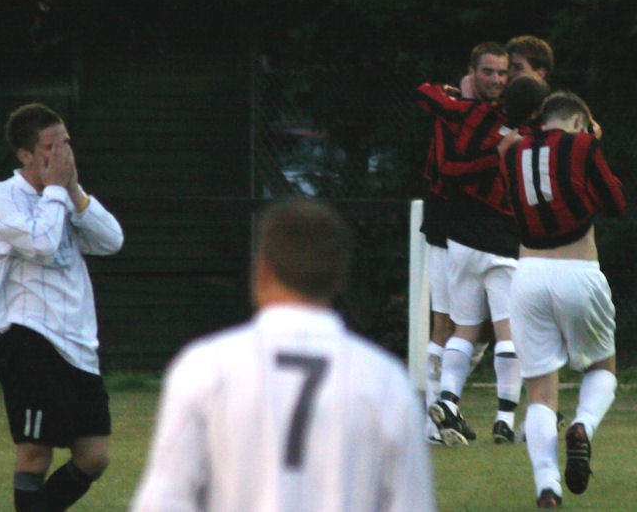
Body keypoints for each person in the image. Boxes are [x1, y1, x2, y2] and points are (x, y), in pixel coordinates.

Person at [130, 198, 436, 512]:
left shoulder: (206, 367)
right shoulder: (385, 380)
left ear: (262, 271)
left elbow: (165, 500)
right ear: (340, 278)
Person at [0, 102, 124, 511]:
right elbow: (43, 245)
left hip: (78, 344)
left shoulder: (65, 196)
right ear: (25, 155)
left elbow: (112, 240)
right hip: (32, 339)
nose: (62, 153)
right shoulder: (4, 198)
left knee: (94, 456)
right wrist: (58, 193)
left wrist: (74, 192)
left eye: (66, 142)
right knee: (35, 455)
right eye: (50, 145)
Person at [417, 46, 551, 446]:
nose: (497, 79)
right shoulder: (466, 112)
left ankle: (452, 407)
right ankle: (491, 419)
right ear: (472, 73)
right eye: (489, 72)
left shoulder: (490, 117)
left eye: (505, 73)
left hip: (466, 234)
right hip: (455, 228)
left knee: (466, 329)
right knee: (464, 328)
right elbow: (447, 168)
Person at [499, 91, 626, 508]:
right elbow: (615, 203)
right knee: (603, 366)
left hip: (528, 274)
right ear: (578, 122)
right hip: (578, 271)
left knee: (539, 393)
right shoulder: (583, 144)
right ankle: (583, 427)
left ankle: (547, 486)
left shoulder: (512, 152)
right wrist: (593, 142)